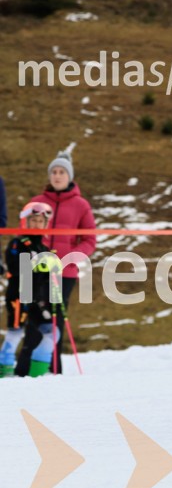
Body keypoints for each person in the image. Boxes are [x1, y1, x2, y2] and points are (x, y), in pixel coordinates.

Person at [20, 151, 96, 374]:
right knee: (32, 317)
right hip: (35, 271)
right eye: (53, 172)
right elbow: (23, 233)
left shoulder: (81, 205)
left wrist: (68, 259)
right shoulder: (37, 203)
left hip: (64, 273)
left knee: (55, 320)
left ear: (69, 176)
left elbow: (90, 240)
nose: (57, 175)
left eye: (62, 172)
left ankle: (52, 371)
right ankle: (24, 370)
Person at [1, 203, 63, 377]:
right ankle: (3, 372)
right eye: (33, 220)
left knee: (52, 332)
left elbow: (44, 278)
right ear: (25, 222)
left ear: (45, 224)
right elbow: (16, 267)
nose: (37, 224)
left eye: (40, 221)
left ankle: (38, 372)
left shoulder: (44, 249)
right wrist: (41, 265)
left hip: (36, 299)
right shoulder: (17, 243)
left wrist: (53, 268)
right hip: (19, 297)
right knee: (15, 334)